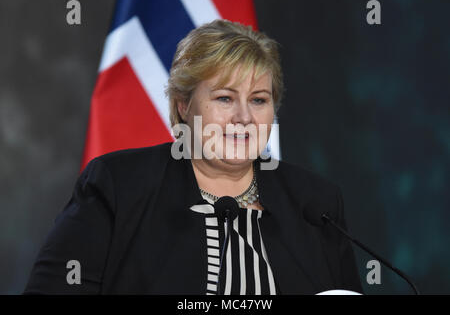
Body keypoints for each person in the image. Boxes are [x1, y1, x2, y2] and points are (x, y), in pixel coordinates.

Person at [24, 19, 362, 295]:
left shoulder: (316, 204)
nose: (244, 117)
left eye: (259, 100)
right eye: (225, 98)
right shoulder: (118, 186)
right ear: (184, 105)